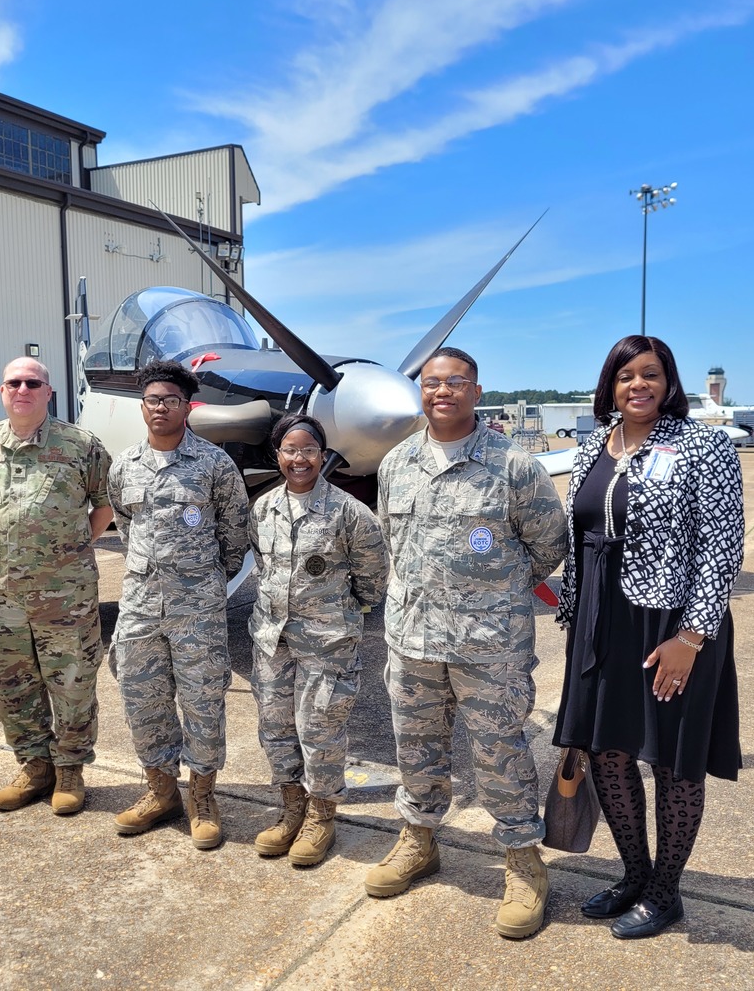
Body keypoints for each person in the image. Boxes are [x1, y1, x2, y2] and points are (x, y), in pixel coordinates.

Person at [365, 347, 567, 940]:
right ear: (420, 393)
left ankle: (523, 860)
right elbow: (391, 544)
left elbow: (549, 545)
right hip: (410, 641)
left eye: (456, 382)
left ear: (477, 391)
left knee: (499, 752)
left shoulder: (513, 465)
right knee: (415, 746)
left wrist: (496, 594)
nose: (443, 392)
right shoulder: (396, 463)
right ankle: (419, 840)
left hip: (490, 645)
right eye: (431, 383)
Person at [553, 335, 743, 939]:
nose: (639, 385)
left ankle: (667, 892)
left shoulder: (701, 446)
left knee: (672, 761)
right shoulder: (591, 447)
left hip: (670, 621)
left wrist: (692, 635)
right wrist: (574, 621)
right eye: (626, 375)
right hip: (600, 620)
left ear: (670, 382)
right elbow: (580, 539)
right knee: (607, 751)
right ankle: (635, 874)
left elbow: (721, 543)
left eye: (651, 374)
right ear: (609, 385)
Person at [0, 357, 113, 815]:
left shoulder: (81, 446)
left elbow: (104, 505)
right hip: (2, 595)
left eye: (32, 382)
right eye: (13, 383)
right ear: (2, 391)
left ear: (47, 392)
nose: (22, 389)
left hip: (66, 593)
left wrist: (69, 547)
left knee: (73, 683)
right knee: (13, 684)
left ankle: (70, 772)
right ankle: (34, 768)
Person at [109, 360, 250, 850]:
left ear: (188, 407)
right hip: (141, 606)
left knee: (203, 700)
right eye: (153, 399)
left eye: (171, 399)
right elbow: (126, 528)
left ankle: (203, 795)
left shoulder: (214, 464)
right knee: (141, 698)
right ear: (142, 406)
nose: (161, 407)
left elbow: (236, 534)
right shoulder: (124, 465)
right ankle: (161, 791)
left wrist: (205, 580)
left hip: (198, 609)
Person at [249, 414, 388, 866]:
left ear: (323, 456)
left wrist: (343, 614)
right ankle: (291, 809)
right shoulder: (264, 508)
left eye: (309, 450)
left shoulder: (349, 512)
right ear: (278, 456)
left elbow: (373, 577)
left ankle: (321, 817)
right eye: (290, 450)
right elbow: (261, 564)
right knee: (276, 728)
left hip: (327, 642)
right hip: (273, 640)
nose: (300, 458)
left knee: (320, 730)